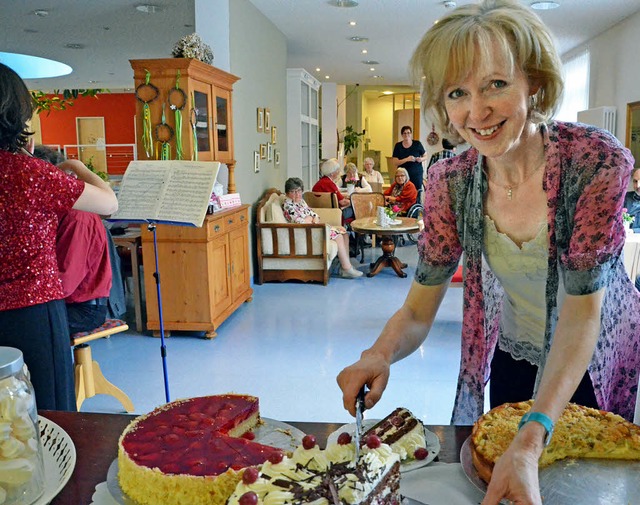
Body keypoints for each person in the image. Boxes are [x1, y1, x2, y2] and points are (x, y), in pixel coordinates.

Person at [336, 2, 639, 504]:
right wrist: (378, 354)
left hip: (591, 355)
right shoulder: (450, 182)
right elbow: (417, 308)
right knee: (504, 475)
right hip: (515, 346)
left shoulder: (594, 163)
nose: (477, 112)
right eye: (458, 93)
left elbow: (582, 314)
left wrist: (536, 427)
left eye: (496, 84)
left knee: (585, 487)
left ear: (533, 83)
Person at [0, 63, 118, 411]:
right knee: (49, 408)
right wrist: (79, 168)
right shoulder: (30, 173)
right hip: (32, 310)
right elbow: (109, 203)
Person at [32, 146, 115, 334]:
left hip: (84, 309)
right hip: (66, 301)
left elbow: (65, 282)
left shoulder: (77, 217)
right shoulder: (59, 213)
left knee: (18, 326)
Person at [282, 178, 363, 279]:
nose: (297, 194)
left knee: (344, 233)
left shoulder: (301, 202)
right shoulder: (288, 206)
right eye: (293, 192)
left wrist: (311, 218)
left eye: (299, 191)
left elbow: (314, 214)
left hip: (314, 227)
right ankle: (347, 268)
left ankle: (345, 267)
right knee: (338, 236)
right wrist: (311, 219)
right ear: (287, 193)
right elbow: (299, 222)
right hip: (307, 232)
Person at [312, 158, 354, 223]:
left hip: (321, 212)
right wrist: (355, 202)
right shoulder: (330, 184)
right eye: (337, 170)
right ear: (332, 173)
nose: (339, 172)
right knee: (356, 209)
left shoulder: (320, 183)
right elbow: (343, 202)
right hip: (333, 214)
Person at [391, 125, 426, 195]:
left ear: (411, 134)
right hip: (403, 175)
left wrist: (420, 159)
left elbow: (425, 156)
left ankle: (417, 205)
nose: (407, 135)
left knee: (417, 192)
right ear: (402, 135)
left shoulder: (417, 144)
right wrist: (407, 159)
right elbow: (395, 162)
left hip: (416, 173)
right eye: (404, 133)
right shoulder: (398, 146)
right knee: (404, 193)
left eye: (408, 133)